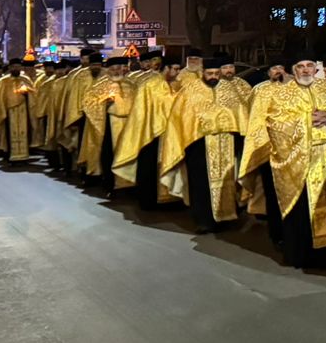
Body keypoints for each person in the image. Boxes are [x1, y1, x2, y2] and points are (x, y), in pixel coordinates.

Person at [240, 56, 326, 266]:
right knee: (301, 209)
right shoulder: (282, 93)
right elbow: (274, 124)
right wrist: (305, 122)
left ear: (316, 68)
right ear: (293, 69)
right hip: (298, 161)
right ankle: (304, 254)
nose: (305, 70)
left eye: (310, 66)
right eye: (300, 66)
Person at [159, 54, 242, 232]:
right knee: (200, 184)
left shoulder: (229, 90)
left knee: (227, 181)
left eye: (216, 73)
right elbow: (179, 118)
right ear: (203, 72)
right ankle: (203, 220)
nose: (213, 77)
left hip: (226, 143)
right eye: (209, 73)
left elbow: (240, 115)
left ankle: (226, 217)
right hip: (198, 145)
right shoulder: (190, 91)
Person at [113, 51, 174, 204]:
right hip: (150, 131)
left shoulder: (174, 85)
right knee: (149, 166)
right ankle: (148, 199)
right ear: (165, 69)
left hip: (168, 132)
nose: (177, 73)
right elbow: (142, 108)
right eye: (174, 69)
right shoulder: (150, 84)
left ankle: (167, 198)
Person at [78, 56, 131, 189]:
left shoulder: (131, 84)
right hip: (106, 126)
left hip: (127, 126)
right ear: (108, 70)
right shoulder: (101, 85)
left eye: (119, 68)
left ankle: (126, 183)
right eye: (113, 69)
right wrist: (104, 104)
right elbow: (88, 102)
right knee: (107, 155)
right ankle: (108, 183)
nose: (116, 72)